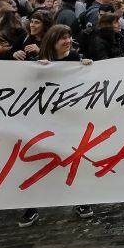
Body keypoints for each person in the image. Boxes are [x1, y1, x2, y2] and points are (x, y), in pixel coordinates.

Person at [17, 25, 93, 226]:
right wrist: (34, 70)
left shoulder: (76, 58)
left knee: (73, 160)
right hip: (43, 121)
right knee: (38, 162)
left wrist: (87, 67)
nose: (68, 41)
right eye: (63, 38)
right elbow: (25, 85)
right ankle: (31, 207)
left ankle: (81, 201)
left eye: (69, 37)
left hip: (69, 120)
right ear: (53, 41)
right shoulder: (39, 62)